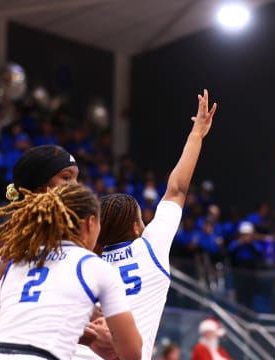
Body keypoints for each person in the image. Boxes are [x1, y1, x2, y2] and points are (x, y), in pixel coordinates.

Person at [96, 89, 217, 360]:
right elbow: (177, 189)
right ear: (138, 229)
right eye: (141, 218)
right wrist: (197, 134)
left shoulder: (87, 261)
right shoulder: (150, 248)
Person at [0, 183, 142, 360]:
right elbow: (133, 352)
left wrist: (75, 334)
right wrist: (105, 342)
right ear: (90, 222)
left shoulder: (18, 263)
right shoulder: (92, 265)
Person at [0, 144, 82, 360]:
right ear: (39, 190)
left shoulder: (66, 232)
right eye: (66, 178)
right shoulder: (24, 237)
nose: (75, 185)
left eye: (76, 178)